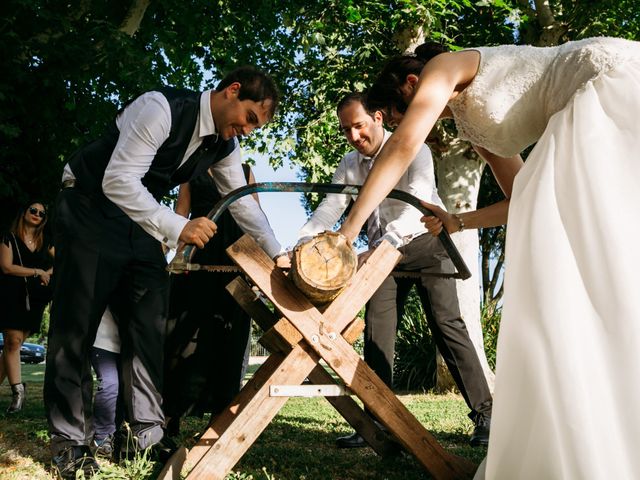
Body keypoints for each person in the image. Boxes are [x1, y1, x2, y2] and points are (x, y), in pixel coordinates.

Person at [338, 38, 640, 479]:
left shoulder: (443, 65)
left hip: (607, 85)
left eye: (414, 110)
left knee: (592, 255)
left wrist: (348, 231)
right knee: (588, 265)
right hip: (587, 110)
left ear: (411, 83)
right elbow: (522, 195)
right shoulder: (474, 125)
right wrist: (459, 221)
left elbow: (402, 146)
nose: (431, 118)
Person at [46, 65, 285, 480]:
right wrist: (180, 227)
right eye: (250, 118)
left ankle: (143, 436)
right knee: (76, 326)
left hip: (136, 218)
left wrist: (278, 254)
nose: (248, 130)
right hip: (88, 205)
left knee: (149, 323)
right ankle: (71, 443)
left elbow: (242, 202)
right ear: (232, 91)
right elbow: (118, 179)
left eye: (256, 126)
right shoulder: (160, 108)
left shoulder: (223, 145)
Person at [299, 92, 492, 448]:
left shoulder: (417, 148)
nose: (354, 136)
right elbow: (331, 207)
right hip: (382, 255)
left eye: (358, 126)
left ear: (377, 118)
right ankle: (376, 421)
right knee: (378, 334)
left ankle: (486, 416)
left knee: (448, 326)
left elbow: (414, 201)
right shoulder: (350, 163)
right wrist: (301, 245)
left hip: (424, 244)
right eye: (346, 131)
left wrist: (379, 248)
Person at [163, 163, 262, 436]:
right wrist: (171, 256)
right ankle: (170, 414)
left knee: (229, 334)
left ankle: (220, 417)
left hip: (235, 256)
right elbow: (181, 215)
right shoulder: (191, 172)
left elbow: (255, 217)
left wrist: (261, 264)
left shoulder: (245, 170)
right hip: (198, 254)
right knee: (178, 334)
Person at [0, 202, 53, 414]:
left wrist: (48, 271)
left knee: (12, 348)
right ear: (24, 213)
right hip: (10, 296)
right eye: (33, 210)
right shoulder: (8, 238)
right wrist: (37, 271)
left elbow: (65, 260)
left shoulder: (45, 242)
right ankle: (18, 391)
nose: (37, 215)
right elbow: (7, 267)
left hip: (35, 299)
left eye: (41, 213)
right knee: (12, 341)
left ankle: (15, 389)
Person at [90, 307, 122, 459]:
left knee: (123, 388)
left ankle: (115, 431)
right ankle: (101, 437)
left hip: (127, 343)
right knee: (110, 384)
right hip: (101, 340)